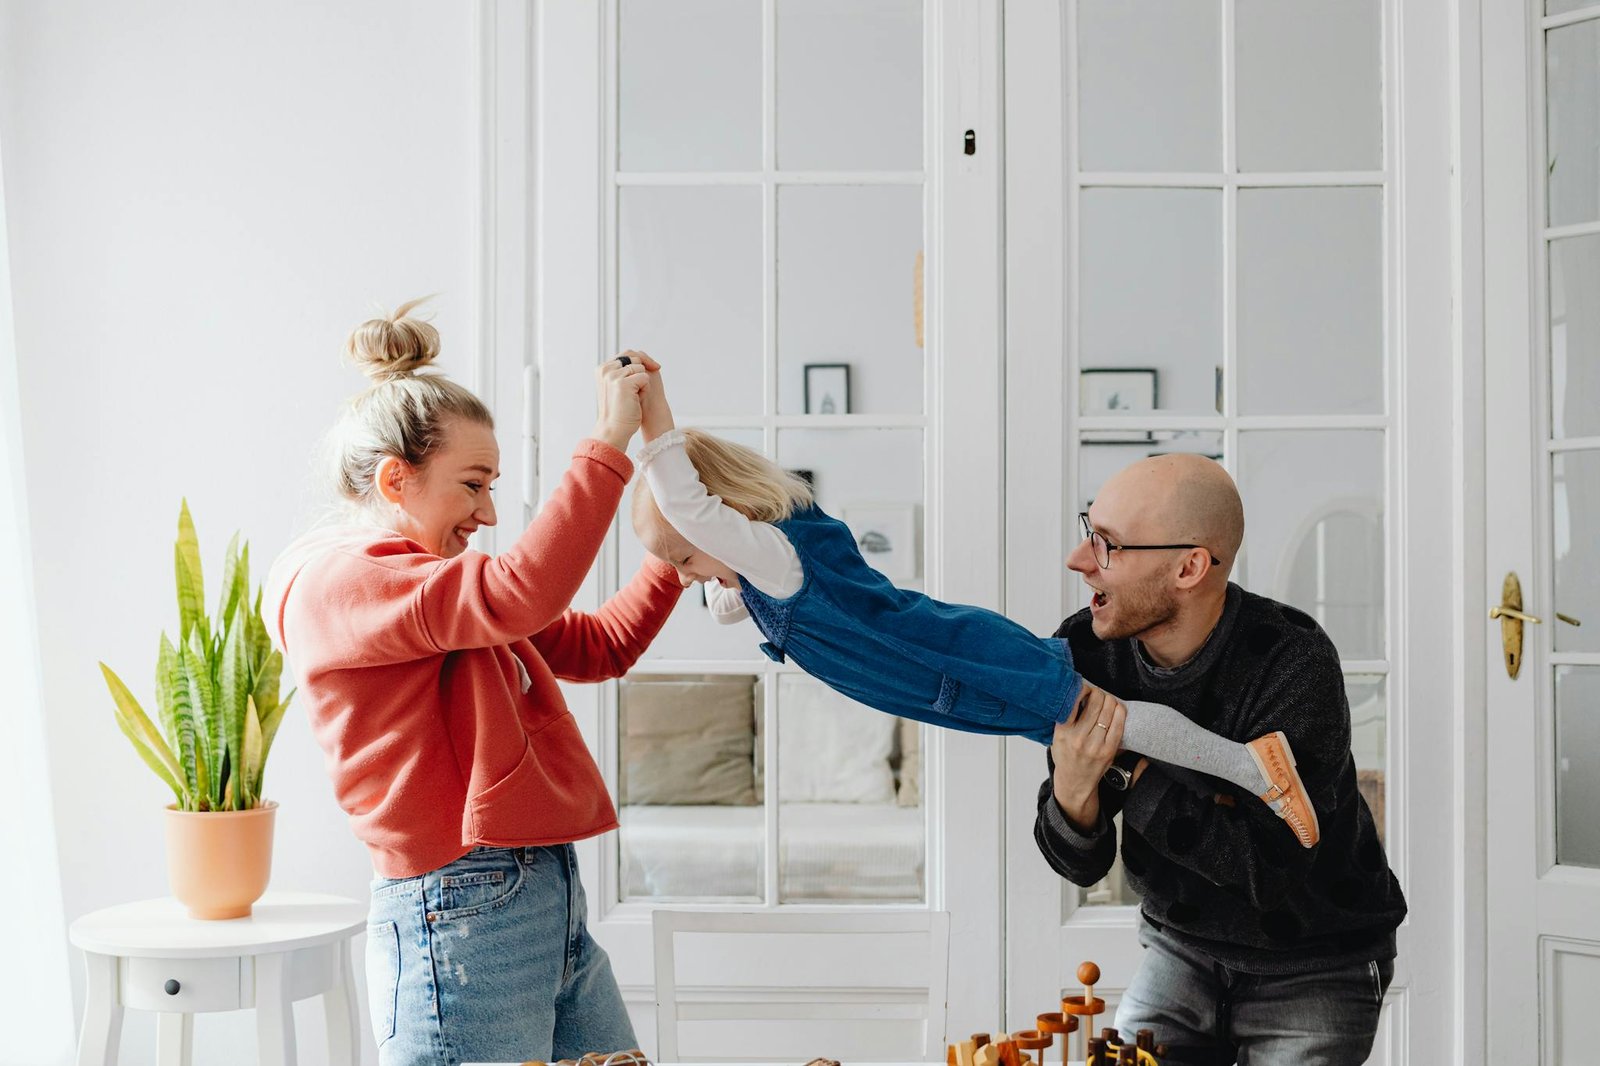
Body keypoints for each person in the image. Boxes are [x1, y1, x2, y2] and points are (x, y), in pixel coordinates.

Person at [627, 367, 1318, 845]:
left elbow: (692, 510)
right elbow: (725, 597)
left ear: (724, 517)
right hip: (933, 682)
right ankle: (1213, 781)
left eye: (686, 558)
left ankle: (1253, 767)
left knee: (1101, 716)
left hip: (950, 654)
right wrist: (699, 574)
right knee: (1087, 738)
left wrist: (651, 416)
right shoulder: (756, 579)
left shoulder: (773, 558)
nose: (688, 577)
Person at [265, 302, 682, 1066]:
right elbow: (525, 591)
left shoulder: (444, 592)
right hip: (458, 910)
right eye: (472, 485)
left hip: (539, 893)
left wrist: (674, 553)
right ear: (398, 479)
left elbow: (602, 646)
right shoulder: (343, 583)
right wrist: (609, 442)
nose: (487, 512)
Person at [1034, 454, 1407, 1066]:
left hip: (1317, 963)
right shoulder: (1087, 646)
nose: (1079, 560)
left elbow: (1268, 867)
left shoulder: (1292, 660)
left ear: (1189, 567)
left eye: (1109, 546)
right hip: (1178, 946)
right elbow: (1079, 863)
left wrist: (1126, 772)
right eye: (1088, 530)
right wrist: (1075, 792)